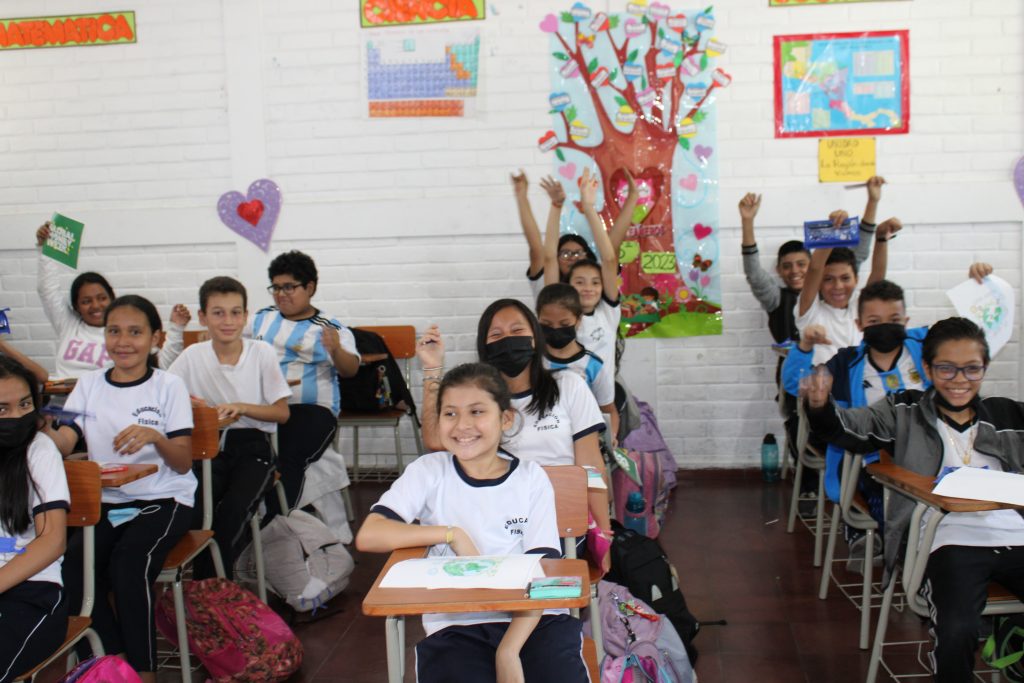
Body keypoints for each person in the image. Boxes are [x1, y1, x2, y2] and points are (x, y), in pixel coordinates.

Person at [804, 317, 1024, 683]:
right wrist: (820, 405)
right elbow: (849, 429)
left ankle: (1012, 640)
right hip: (946, 540)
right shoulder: (904, 410)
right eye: (946, 368)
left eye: (972, 368)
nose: (959, 379)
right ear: (927, 367)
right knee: (957, 629)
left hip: (1015, 535)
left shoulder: (1007, 413)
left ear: (984, 367)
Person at [355, 362, 588, 683]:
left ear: (505, 418)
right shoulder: (428, 471)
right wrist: (450, 534)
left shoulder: (530, 478)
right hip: (457, 623)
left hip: (534, 619)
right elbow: (370, 535)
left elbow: (543, 574)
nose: (462, 425)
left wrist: (508, 652)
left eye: (477, 412)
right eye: (450, 413)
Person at [47, 296, 194, 683]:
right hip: (109, 502)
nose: (123, 342)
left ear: (155, 338)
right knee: (72, 570)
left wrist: (156, 437)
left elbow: (182, 462)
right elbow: (64, 440)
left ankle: (144, 673)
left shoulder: (169, 385)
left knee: (130, 565)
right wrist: (40, 428)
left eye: (135, 332)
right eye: (114, 331)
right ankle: (111, 664)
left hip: (165, 498)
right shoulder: (88, 385)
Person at [416, 299, 611, 557]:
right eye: (496, 335)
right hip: (493, 519)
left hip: (557, 518)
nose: (508, 340)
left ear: (535, 337)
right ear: (485, 346)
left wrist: (603, 534)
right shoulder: (478, 398)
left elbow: (591, 466)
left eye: (517, 330)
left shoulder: (569, 385)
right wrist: (432, 367)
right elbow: (435, 440)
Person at [168, 277, 291, 580]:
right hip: (208, 449)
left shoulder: (261, 352)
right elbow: (164, 397)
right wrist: (193, 406)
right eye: (218, 313)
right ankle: (205, 588)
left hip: (253, 447)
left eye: (235, 313)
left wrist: (242, 407)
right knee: (196, 512)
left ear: (245, 316)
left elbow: (282, 413)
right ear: (202, 317)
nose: (228, 321)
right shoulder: (193, 356)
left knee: (231, 512)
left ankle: (211, 587)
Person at [249, 250, 360, 513]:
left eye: (289, 287)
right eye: (276, 288)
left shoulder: (328, 327)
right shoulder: (262, 318)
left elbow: (350, 370)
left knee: (288, 454)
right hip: (265, 407)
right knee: (240, 451)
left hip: (311, 410)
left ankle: (277, 521)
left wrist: (335, 350)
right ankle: (246, 522)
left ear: (310, 288)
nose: (281, 294)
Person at [35, 222, 190, 378]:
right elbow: (47, 290)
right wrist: (45, 249)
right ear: (76, 307)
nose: (96, 306)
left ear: (112, 299)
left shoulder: (125, 332)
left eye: (102, 298)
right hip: (65, 393)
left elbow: (162, 365)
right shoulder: (69, 325)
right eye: (86, 301)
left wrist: (176, 328)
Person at [0, 356, 69, 683]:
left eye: (25, 404)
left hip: (33, 590)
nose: (17, 417)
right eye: (2, 409)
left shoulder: (39, 451)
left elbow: (52, 541)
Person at [545, 168, 623, 380]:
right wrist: (556, 206)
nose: (588, 288)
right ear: (568, 286)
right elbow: (549, 258)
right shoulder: (559, 314)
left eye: (595, 282)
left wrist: (588, 208)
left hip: (601, 395)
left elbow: (609, 259)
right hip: (564, 393)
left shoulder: (607, 312)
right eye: (579, 282)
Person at [795, 211, 900, 366]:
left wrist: (881, 238)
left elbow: (877, 277)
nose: (838, 286)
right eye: (828, 279)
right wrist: (832, 230)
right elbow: (815, 268)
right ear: (819, 283)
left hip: (857, 379)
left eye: (845, 278)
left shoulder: (859, 306)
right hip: (822, 380)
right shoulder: (810, 311)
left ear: (856, 279)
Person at [536, 283, 618, 443]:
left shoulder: (593, 365)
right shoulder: (531, 361)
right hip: (542, 441)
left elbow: (609, 411)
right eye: (547, 325)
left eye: (564, 324)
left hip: (582, 442)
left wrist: (610, 438)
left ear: (579, 320)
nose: (555, 329)